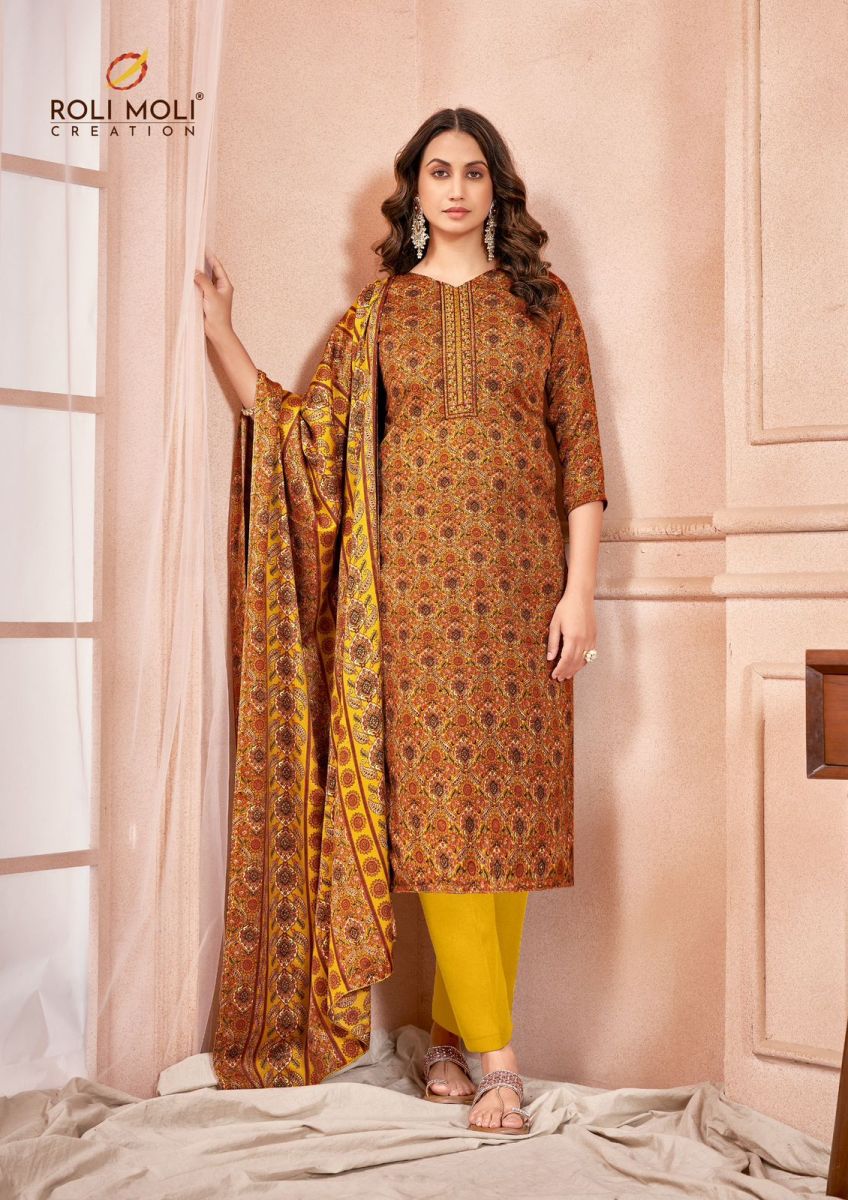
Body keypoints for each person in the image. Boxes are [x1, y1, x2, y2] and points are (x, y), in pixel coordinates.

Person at [195, 107, 608, 1135]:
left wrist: (580, 592)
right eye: (438, 172)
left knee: (506, 828)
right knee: (441, 823)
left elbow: (582, 457)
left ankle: (450, 1038)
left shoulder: (543, 302)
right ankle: (503, 1064)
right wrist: (220, 332)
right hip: (414, 598)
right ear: (414, 192)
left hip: (523, 593)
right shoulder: (382, 313)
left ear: (496, 188)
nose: (456, 189)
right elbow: (305, 435)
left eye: (473, 172)